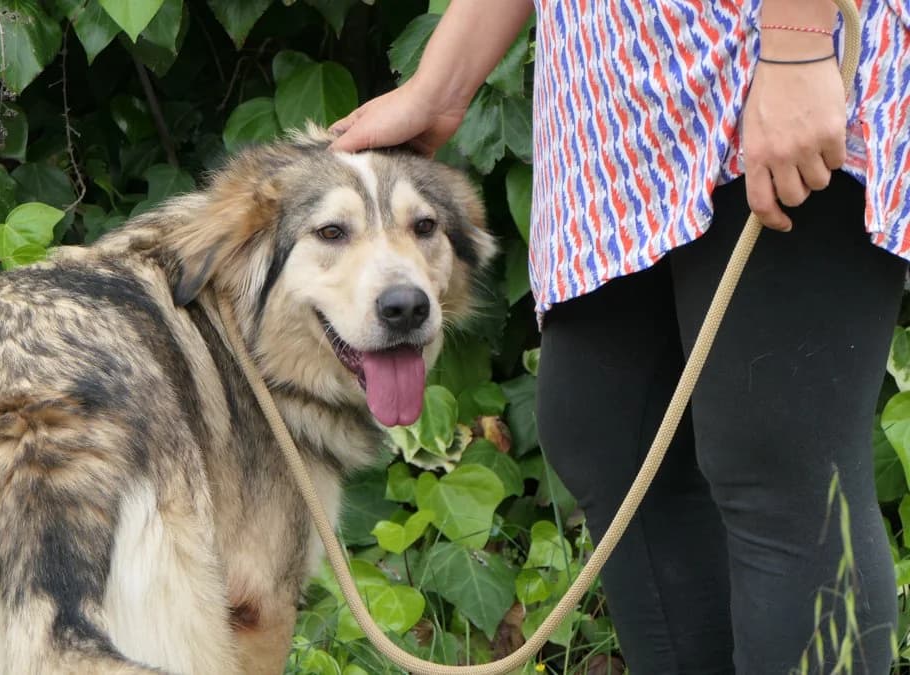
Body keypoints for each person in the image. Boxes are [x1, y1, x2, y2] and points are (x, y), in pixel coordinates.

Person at [331, 0, 910, 672]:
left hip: (753, 53)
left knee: (777, 456)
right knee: (605, 434)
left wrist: (800, 38)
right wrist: (439, 88)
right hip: (610, 81)